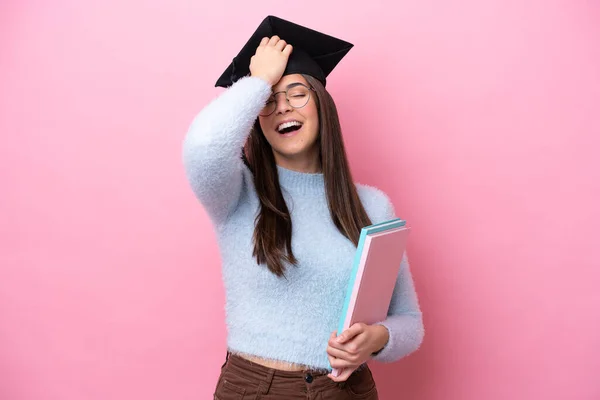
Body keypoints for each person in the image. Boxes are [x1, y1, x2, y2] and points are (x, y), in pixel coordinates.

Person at [182, 15, 424, 400]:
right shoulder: (237, 194)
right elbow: (203, 147)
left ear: (321, 104)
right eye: (268, 101)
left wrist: (377, 338)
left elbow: (409, 321)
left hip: (348, 391)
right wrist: (257, 80)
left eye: (296, 93)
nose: (282, 108)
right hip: (258, 389)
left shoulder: (372, 205)